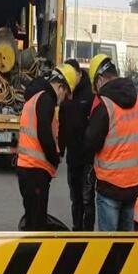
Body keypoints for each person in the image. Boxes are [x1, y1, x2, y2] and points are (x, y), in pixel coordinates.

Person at [84, 53, 138, 232]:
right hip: (132, 186)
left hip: (109, 186)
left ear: (100, 79)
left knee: (107, 245)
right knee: (125, 244)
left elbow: (91, 143)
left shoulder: (104, 105)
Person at [16, 64, 78, 230]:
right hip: (35, 171)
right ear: (60, 86)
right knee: (36, 224)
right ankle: (32, 253)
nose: (64, 98)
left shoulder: (36, 97)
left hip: (27, 169)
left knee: (33, 219)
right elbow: (44, 134)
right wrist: (54, 159)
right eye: (65, 93)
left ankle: (31, 250)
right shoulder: (46, 100)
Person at [58, 58, 95, 231]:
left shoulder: (91, 94)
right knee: (75, 198)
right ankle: (76, 229)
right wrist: (60, 150)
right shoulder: (67, 94)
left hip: (87, 158)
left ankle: (87, 233)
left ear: (79, 74)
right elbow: (63, 125)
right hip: (72, 157)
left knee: (87, 199)